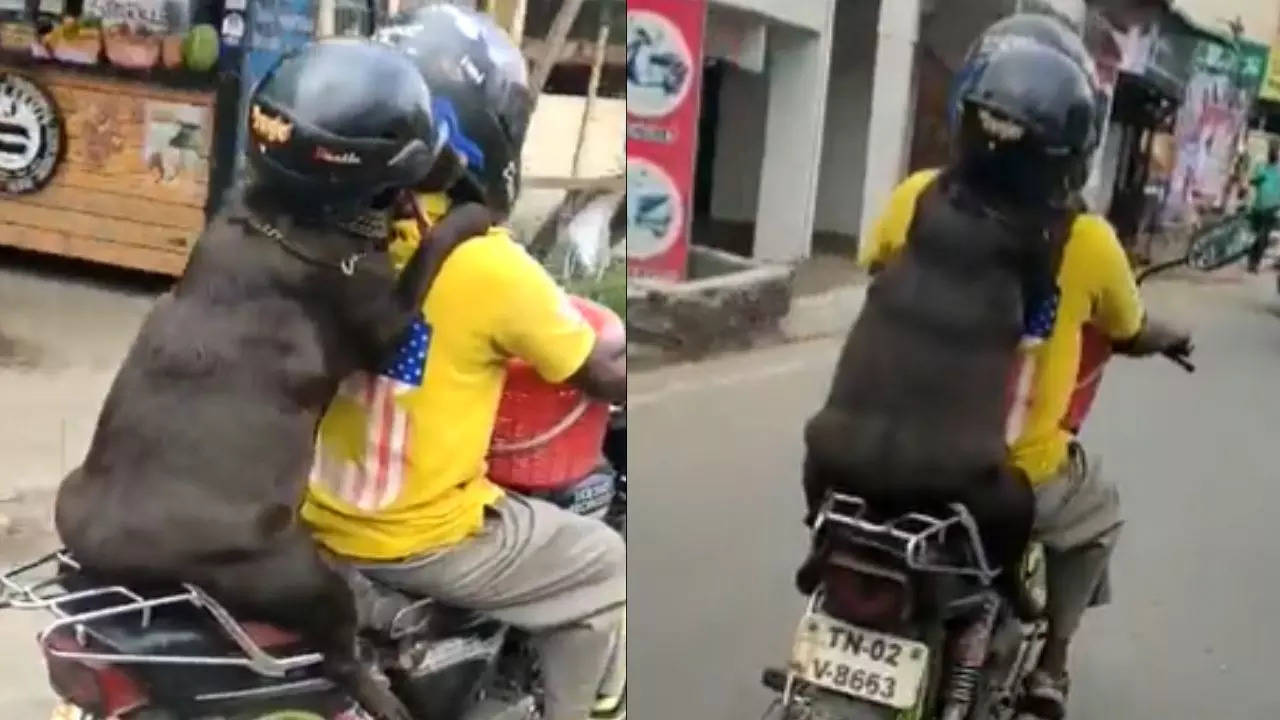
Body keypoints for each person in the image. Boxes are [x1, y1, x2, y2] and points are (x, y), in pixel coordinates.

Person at [858, 15, 1191, 720]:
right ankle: (1052, 667)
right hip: (1013, 471)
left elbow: (877, 269)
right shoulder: (1089, 242)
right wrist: (1170, 337)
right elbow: (1128, 327)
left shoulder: (915, 198)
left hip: (880, 443)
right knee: (1099, 516)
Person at [300, 6, 627, 720]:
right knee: (606, 563)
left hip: (314, 509)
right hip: (414, 537)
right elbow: (596, 369)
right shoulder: (485, 262)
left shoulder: (331, 230)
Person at [1246, 142, 1280, 273]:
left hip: (1270, 208)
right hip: (1259, 206)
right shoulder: (1262, 167)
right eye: (1273, 152)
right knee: (1257, 236)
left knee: (1263, 237)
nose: (1274, 154)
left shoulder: (1267, 168)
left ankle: (1254, 262)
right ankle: (1252, 260)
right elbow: (1253, 181)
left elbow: (1253, 181)